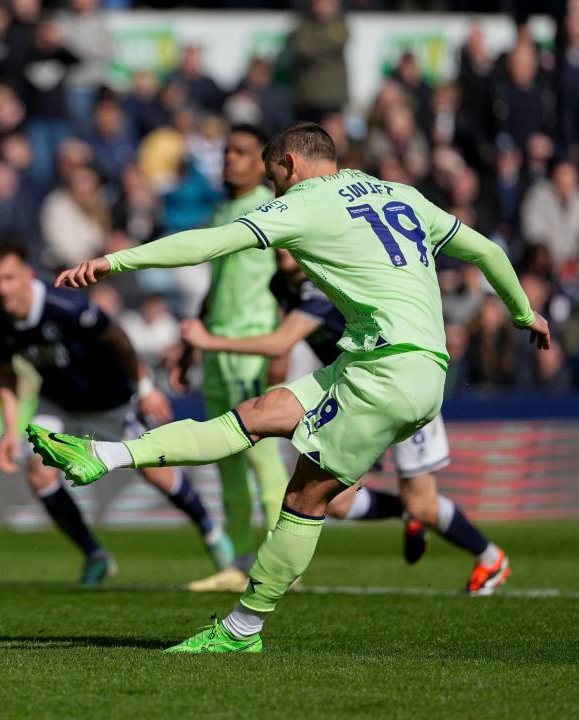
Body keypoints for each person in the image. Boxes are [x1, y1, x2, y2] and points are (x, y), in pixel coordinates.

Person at [27, 122, 549, 653]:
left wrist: (115, 261)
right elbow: (486, 250)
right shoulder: (401, 193)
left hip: (385, 372)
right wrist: (525, 313)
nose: (272, 189)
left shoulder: (306, 201)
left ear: (291, 165)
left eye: (273, 176)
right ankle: (105, 455)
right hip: (396, 364)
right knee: (258, 414)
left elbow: (211, 243)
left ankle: (242, 629)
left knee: (304, 498)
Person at [180, 248, 509, 595]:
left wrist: (208, 342)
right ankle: (408, 513)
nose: (279, 248)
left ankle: (490, 557)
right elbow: (285, 335)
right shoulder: (281, 283)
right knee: (335, 502)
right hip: (352, 394)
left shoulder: (322, 282)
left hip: (396, 384)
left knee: (423, 504)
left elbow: (282, 338)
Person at [0, 239, 232, 587]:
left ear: (26, 274)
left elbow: (119, 338)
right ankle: (95, 555)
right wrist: (10, 430)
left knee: (155, 471)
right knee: (38, 471)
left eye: (8, 278)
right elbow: (5, 374)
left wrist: (144, 389)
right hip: (59, 402)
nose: (2, 288)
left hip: (111, 402)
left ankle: (211, 532)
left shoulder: (64, 305)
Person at [172, 125, 290, 593]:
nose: (228, 159)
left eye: (240, 152)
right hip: (217, 349)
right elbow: (217, 287)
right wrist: (188, 348)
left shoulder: (273, 209)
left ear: (262, 162)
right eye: (226, 150)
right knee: (226, 461)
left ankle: (282, 563)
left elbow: (290, 278)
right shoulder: (222, 210)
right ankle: (241, 561)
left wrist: (281, 345)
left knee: (262, 456)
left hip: (251, 348)